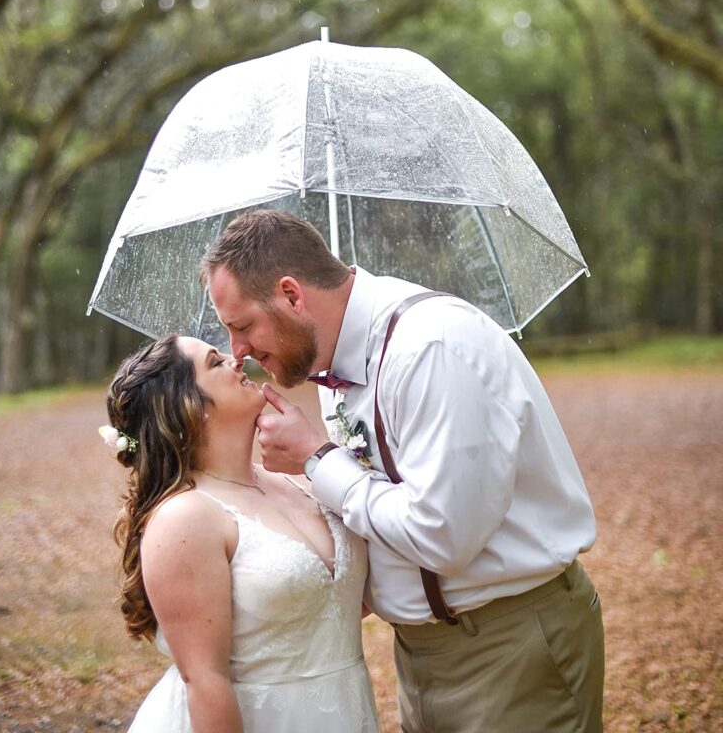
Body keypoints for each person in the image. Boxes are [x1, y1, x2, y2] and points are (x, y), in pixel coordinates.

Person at [200, 209, 605, 733]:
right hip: (419, 654)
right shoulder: (338, 370)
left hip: (513, 644)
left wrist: (319, 461)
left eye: (242, 326)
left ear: (292, 295)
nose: (240, 352)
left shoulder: (430, 348)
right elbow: (374, 501)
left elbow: (443, 537)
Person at [101, 334, 379, 732]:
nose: (236, 359)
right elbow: (205, 682)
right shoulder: (185, 518)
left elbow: (336, 604)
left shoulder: (300, 483)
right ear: (187, 407)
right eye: (215, 362)